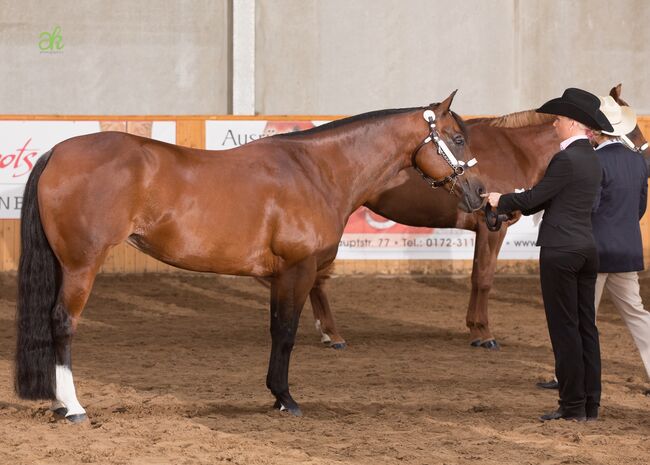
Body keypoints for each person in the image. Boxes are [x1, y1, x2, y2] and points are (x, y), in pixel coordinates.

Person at [482, 87, 614, 421]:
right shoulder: (593, 160)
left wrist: (502, 200)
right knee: (586, 328)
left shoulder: (565, 158)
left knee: (564, 328)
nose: (554, 123)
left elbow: (535, 197)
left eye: (558, 118)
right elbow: (550, 199)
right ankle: (590, 404)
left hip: (561, 250)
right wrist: (517, 204)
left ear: (572, 122)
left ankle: (571, 406)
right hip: (586, 247)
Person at [591, 96, 650, 395]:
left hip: (596, 253)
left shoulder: (593, 161)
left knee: (582, 317)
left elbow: (590, 207)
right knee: (638, 314)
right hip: (627, 250)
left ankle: (573, 378)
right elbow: (639, 208)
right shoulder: (638, 162)